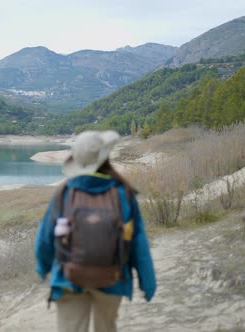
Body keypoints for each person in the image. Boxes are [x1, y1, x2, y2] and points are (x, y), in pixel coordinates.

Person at [35, 130, 156, 332]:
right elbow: (137, 242)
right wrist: (147, 281)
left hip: (68, 278)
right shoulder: (122, 193)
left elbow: (45, 238)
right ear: (105, 157)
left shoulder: (65, 192)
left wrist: (43, 268)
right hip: (113, 278)